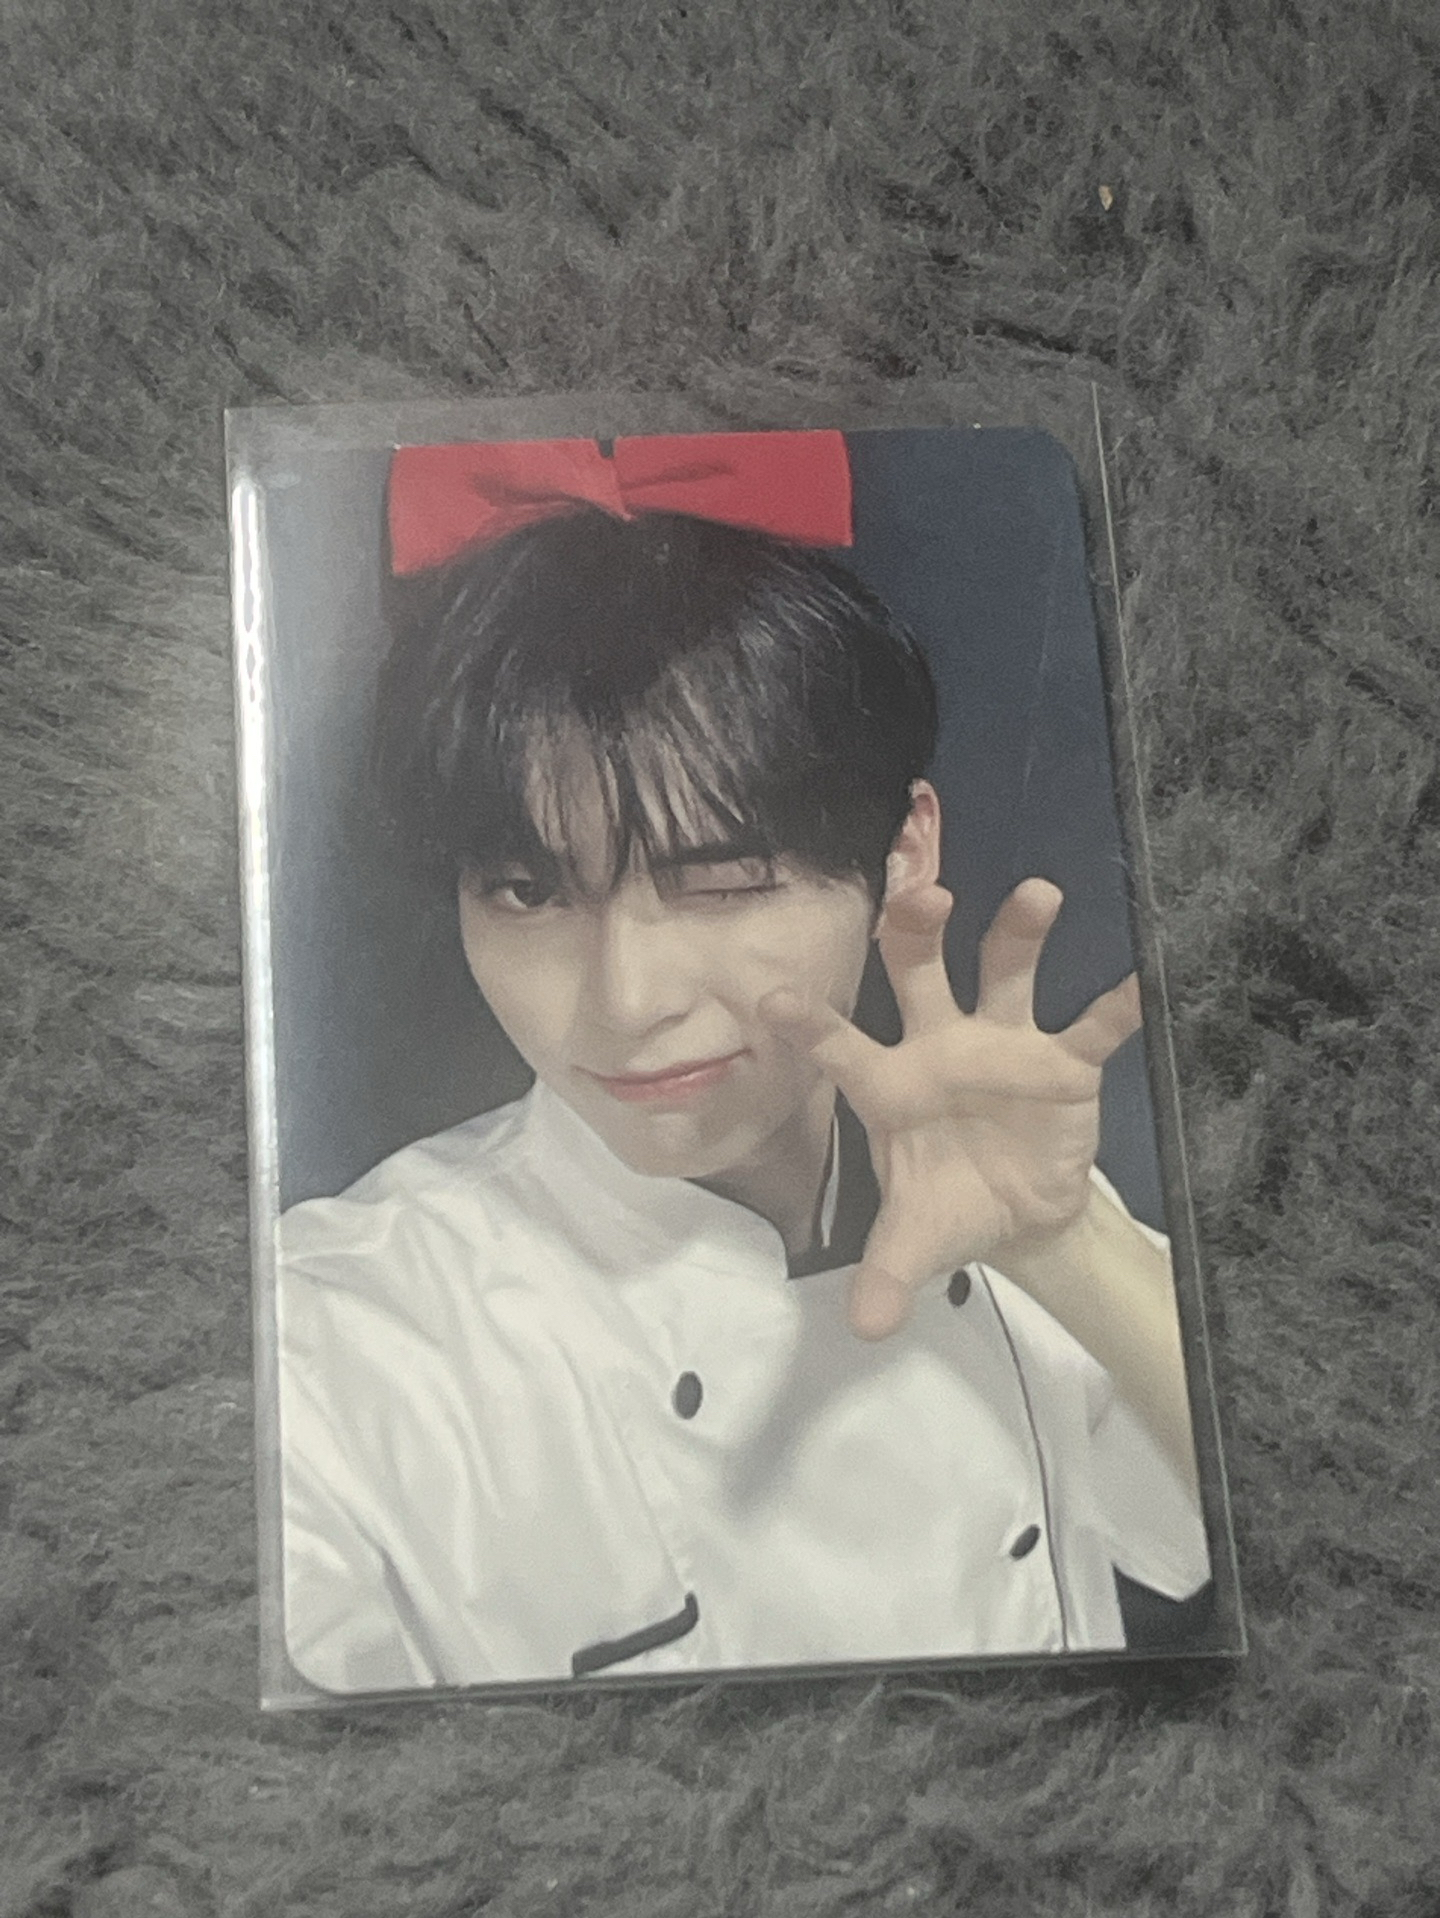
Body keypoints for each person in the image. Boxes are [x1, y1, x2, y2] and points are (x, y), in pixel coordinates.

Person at [275, 430, 1211, 1695]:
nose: (626, 1001)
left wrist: (1065, 1245)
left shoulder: (1017, 1197)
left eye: (718, 879)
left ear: (901, 854)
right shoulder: (331, 1339)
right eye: (528, 891)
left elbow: (1298, 1538)